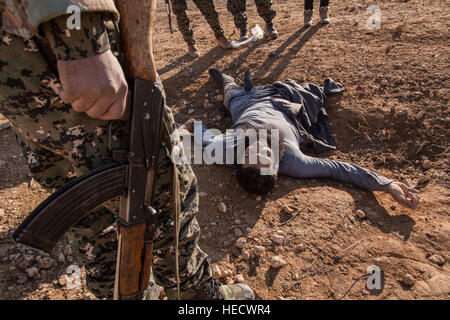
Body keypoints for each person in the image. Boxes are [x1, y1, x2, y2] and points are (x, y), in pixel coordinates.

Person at [0, 1, 253, 300]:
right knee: (164, 193)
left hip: (19, 63)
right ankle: (195, 295)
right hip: (65, 44)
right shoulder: (75, 33)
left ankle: (122, 293)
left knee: (84, 201)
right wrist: (79, 34)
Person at [185, 68, 420, 210]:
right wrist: (386, 184)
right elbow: (339, 170)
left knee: (230, 91)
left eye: (250, 154)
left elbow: (202, 134)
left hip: (244, 107)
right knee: (317, 95)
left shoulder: (225, 150)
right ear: (277, 167)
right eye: (266, 155)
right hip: (282, 103)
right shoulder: (295, 162)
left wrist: (191, 127)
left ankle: (226, 78)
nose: (260, 146)